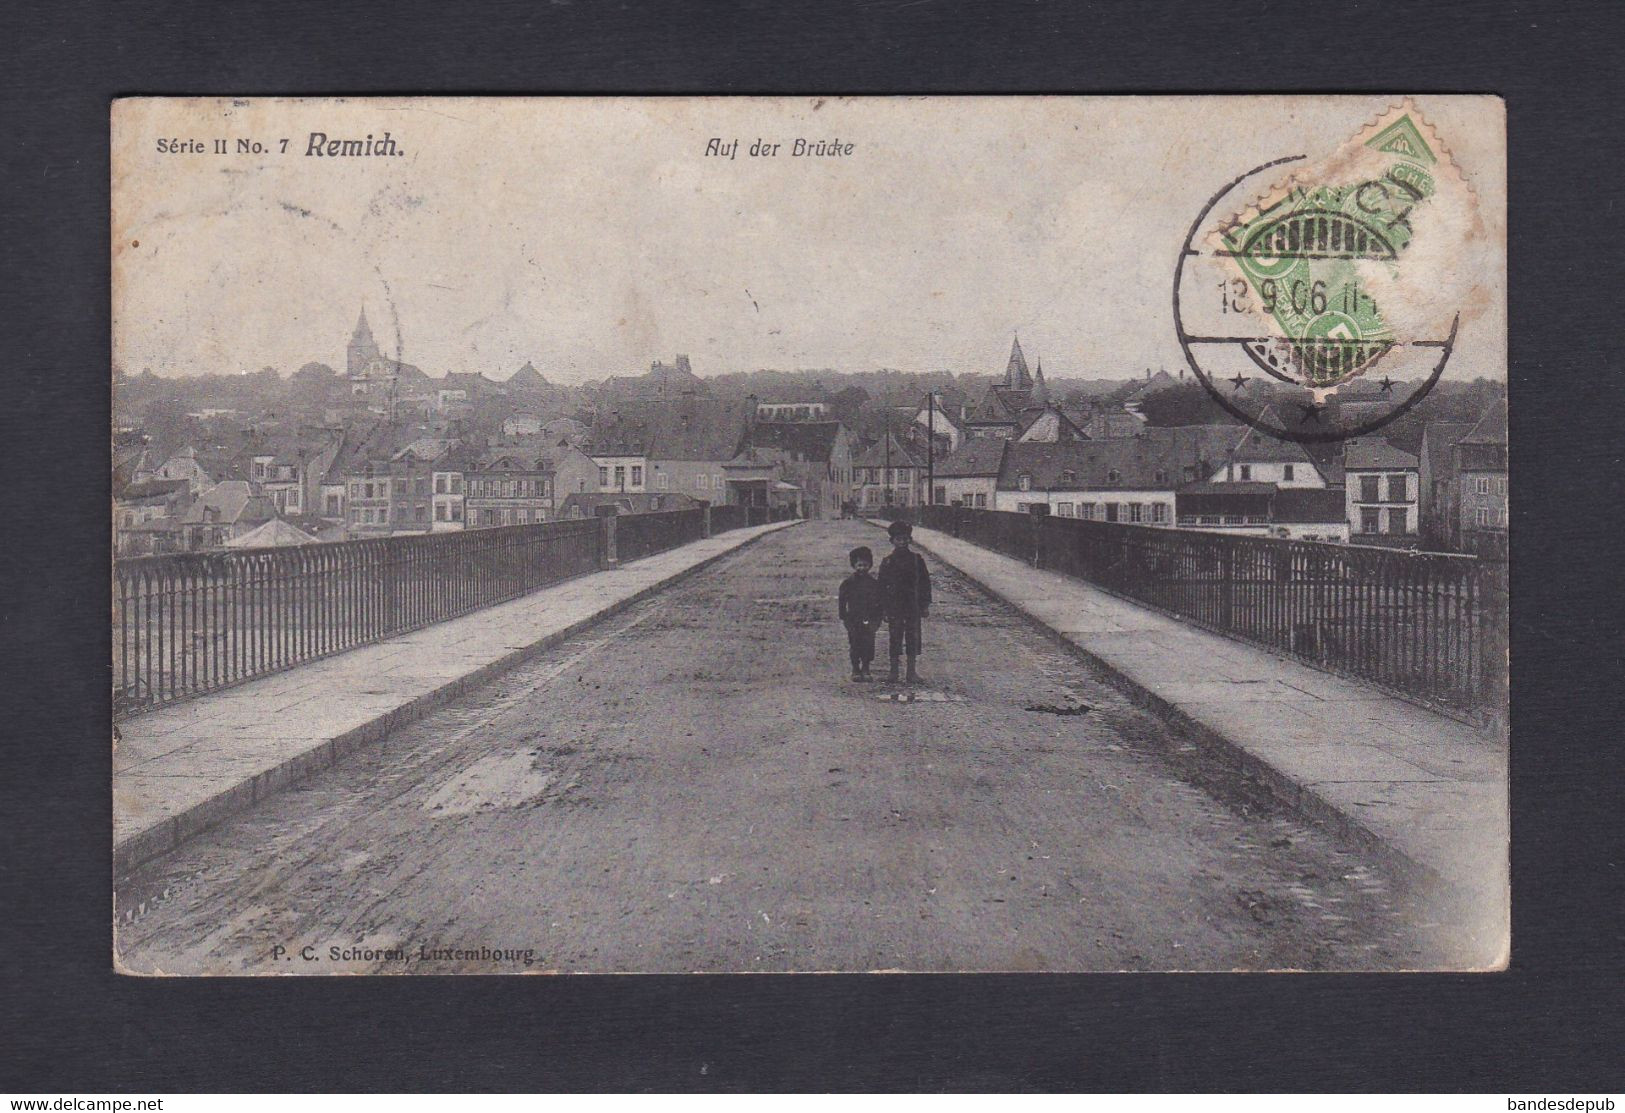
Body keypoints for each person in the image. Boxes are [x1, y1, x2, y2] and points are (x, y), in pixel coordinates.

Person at [877, 519, 931, 684]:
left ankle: (911, 672)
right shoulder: (887, 561)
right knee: (895, 636)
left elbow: (924, 583)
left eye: (905, 539)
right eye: (898, 539)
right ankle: (893, 672)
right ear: (892, 541)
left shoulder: (917, 560)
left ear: (910, 540)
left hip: (912, 604)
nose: (902, 542)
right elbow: (881, 587)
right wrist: (883, 609)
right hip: (894, 606)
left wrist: (925, 605)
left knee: (913, 637)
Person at [837, 545, 884, 681]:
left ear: (870, 565)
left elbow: (880, 601)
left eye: (865, 565)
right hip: (853, 619)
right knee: (855, 643)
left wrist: (878, 617)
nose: (862, 568)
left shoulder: (874, 584)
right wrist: (843, 616)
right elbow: (842, 601)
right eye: (859, 565)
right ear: (853, 565)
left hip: (870, 618)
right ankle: (855, 668)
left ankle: (866, 667)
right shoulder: (848, 583)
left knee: (868, 643)